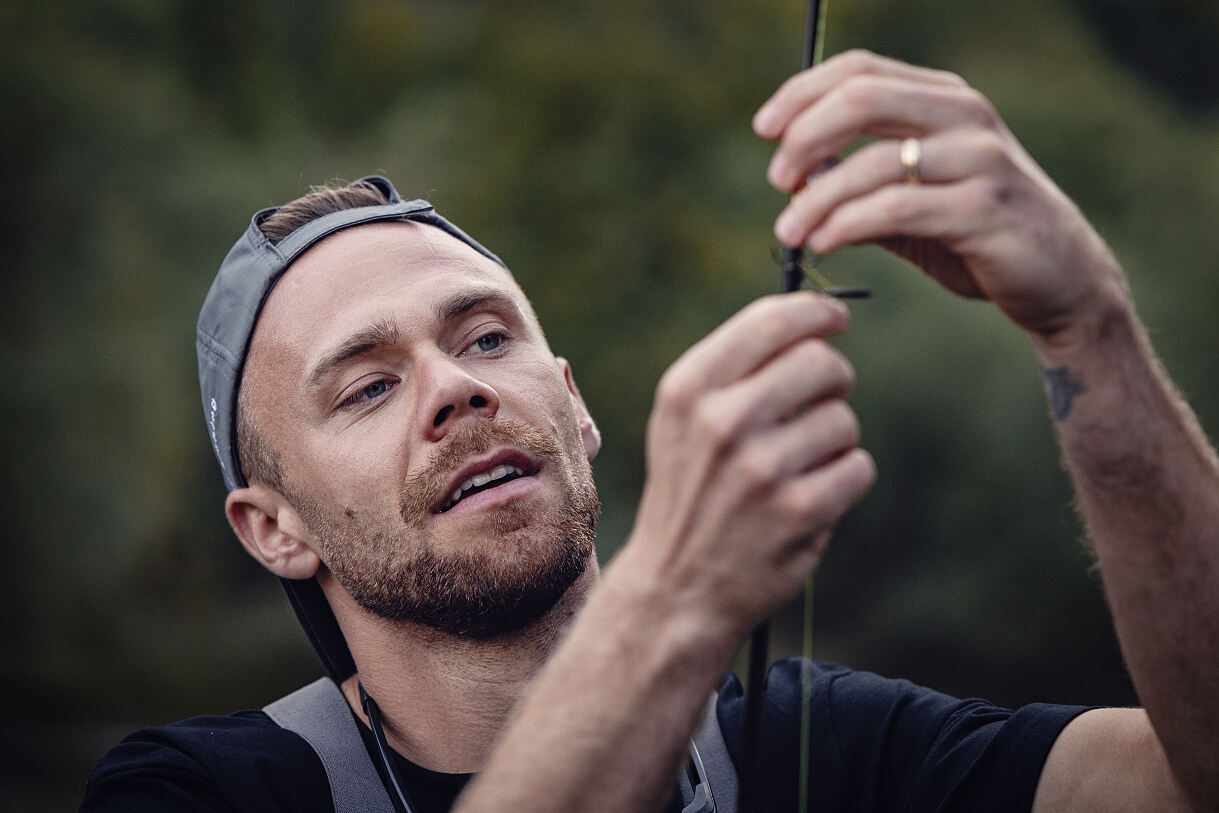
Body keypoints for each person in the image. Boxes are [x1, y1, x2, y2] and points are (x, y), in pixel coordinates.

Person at [81, 51, 1218, 812]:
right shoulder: (196, 790)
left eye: (484, 340)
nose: (455, 391)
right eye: (366, 388)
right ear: (272, 527)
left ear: (571, 403)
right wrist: (674, 595)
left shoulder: (824, 747)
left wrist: (1092, 331)